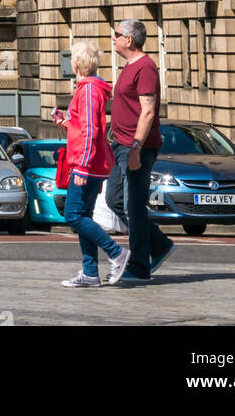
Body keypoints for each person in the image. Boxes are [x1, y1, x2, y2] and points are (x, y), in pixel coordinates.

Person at [53, 40, 130, 288]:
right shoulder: (92, 90)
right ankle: (90, 272)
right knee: (83, 215)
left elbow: (90, 130)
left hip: (86, 164)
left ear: (76, 64)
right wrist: (66, 122)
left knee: (73, 216)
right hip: (92, 162)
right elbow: (85, 126)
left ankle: (116, 252)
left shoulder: (86, 91)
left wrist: (83, 167)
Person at [105, 18, 174, 281]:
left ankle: (139, 267)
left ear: (129, 40)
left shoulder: (145, 68)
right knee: (115, 199)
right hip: (120, 145)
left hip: (136, 148)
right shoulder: (129, 66)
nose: (114, 38)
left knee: (134, 206)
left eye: (117, 34)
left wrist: (136, 146)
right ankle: (159, 243)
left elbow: (147, 111)